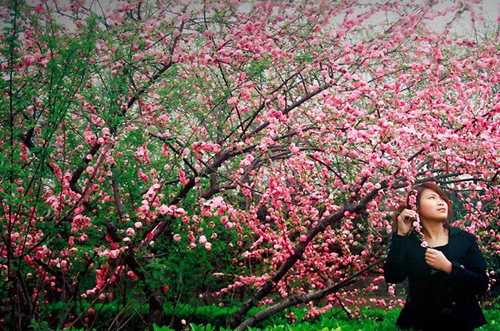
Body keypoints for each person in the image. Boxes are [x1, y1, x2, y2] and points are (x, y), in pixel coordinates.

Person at [383, 182, 488, 331]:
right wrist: (401, 235)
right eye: (432, 198)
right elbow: (393, 276)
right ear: (416, 209)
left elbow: (481, 283)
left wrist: (450, 268)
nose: (441, 202)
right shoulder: (410, 244)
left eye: (442, 198)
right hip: (422, 323)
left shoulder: (464, 239)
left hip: (460, 323)